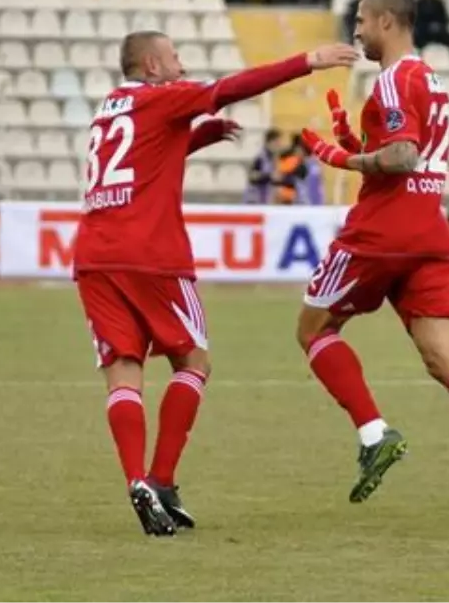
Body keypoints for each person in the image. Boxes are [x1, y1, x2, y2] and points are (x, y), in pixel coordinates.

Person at [75, 31, 357, 537]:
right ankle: (160, 480)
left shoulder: (109, 108)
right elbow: (231, 87)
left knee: (123, 371)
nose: (181, 67)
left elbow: (140, 158)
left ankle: (135, 478)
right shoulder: (164, 96)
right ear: (151, 64)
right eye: (175, 58)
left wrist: (199, 137)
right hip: (151, 255)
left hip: (95, 255)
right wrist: (307, 62)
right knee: (194, 361)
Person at [296, 0, 449, 538]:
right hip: (429, 228)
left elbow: (402, 154)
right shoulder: (432, 80)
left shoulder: (396, 78)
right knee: (444, 355)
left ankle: (374, 434)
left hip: (383, 230)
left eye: (361, 20)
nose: (356, 31)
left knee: (313, 329)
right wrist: (363, 141)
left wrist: (343, 157)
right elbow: (408, 148)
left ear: (386, 21)